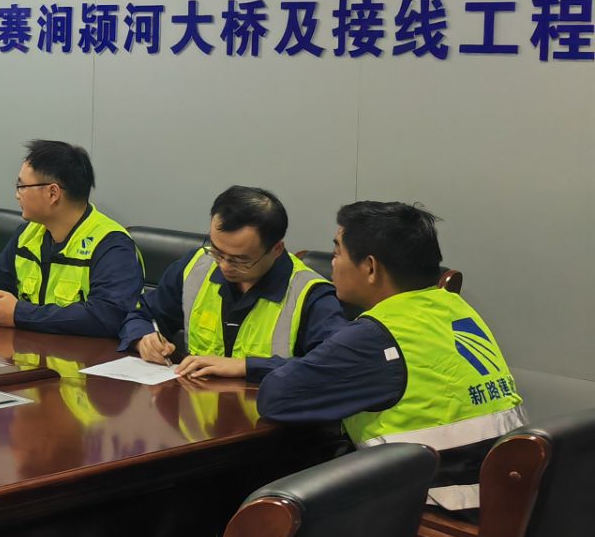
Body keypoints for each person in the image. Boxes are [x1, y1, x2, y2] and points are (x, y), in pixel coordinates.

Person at [179, 202, 524, 513]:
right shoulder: (456, 309)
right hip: (503, 504)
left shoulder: (377, 337)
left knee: (277, 507)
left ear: (370, 268)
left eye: (337, 253)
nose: (332, 264)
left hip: (435, 521)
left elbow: (278, 397)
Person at [121, 186, 345, 366]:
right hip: (197, 403)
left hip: (266, 406)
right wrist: (143, 338)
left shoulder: (309, 295)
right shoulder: (197, 267)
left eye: (240, 260)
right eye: (217, 251)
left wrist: (245, 367)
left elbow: (333, 365)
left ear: (276, 249)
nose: (225, 265)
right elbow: (142, 313)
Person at [0, 139, 142, 336]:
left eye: (22, 186)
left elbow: (106, 317)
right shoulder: (27, 234)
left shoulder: (112, 244)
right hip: (30, 348)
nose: (17, 195)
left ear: (53, 193)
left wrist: (18, 313)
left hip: (85, 354)